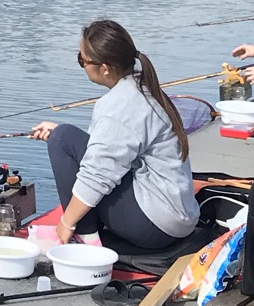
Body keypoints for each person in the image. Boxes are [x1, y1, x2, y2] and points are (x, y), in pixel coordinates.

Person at [29, 20, 199, 253]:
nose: (81, 65)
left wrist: (66, 223)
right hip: (178, 216)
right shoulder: (142, 86)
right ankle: (86, 229)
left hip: (155, 226)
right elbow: (115, 145)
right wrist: (61, 134)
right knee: (63, 136)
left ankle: (85, 239)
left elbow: (97, 174)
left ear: (105, 67)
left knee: (62, 138)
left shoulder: (119, 105)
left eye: (82, 60)